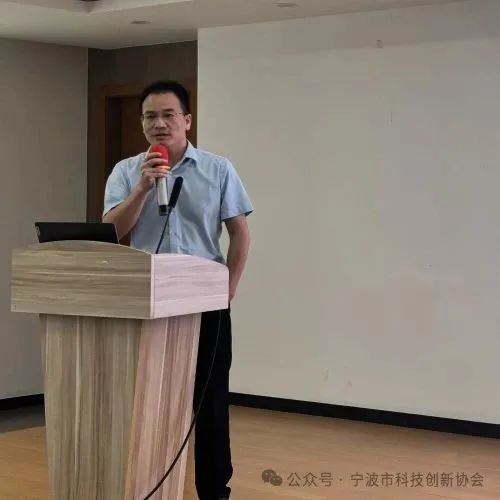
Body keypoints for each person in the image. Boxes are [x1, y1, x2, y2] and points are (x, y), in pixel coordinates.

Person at [102, 80, 253, 500]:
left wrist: (228, 288)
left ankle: (214, 490)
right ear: (142, 124)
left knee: (210, 401)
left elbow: (240, 233)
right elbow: (112, 231)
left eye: (168, 115)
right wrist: (142, 188)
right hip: (148, 303)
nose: (159, 124)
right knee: (146, 401)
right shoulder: (126, 172)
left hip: (206, 302)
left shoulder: (218, 169)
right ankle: (147, 485)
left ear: (187, 120)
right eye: (150, 116)